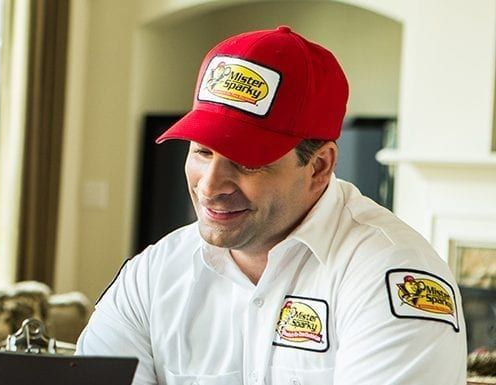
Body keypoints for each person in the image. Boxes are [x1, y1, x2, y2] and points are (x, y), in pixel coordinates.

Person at [76, 26, 466, 384]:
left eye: (245, 161)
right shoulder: (153, 275)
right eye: (202, 151)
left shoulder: (394, 278)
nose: (210, 186)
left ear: (319, 166)